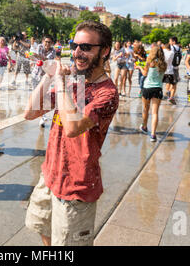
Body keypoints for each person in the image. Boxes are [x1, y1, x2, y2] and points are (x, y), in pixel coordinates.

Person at [24, 20, 119, 246]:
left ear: (104, 51)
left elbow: (73, 128)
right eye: (74, 45)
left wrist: (61, 81)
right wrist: (49, 77)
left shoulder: (107, 93)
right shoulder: (74, 82)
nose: (77, 52)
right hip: (50, 174)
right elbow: (30, 112)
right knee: (43, 228)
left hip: (77, 185)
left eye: (85, 47)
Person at [136, 46, 167, 142]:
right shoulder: (163, 64)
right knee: (155, 112)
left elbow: (145, 74)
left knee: (145, 109)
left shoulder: (150, 62)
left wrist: (139, 67)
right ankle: (153, 134)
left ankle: (144, 126)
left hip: (147, 88)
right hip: (157, 88)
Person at [31, 35, 56, 128]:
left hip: (45, 77)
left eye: (49, 42)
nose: (47, 44)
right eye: (46, 41)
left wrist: (36, 56)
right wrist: (33, 56)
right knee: (37, 96)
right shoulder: (39, 47)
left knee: (44, 96)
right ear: (42, 41)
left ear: (52, 43)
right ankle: (42, 116)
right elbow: (37, 58)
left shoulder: (53, 51)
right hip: (35, 75)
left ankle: (42, 116)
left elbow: (46, 59)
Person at [169, 36, 182, 102]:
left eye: (170, 41)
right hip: (176, 68)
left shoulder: (171, 47)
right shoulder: (180, 48)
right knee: (174, 83)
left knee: (171, 83)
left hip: (170, 68)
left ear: (173, 41)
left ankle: (171, 96)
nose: (169, 42)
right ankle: (171, 95)